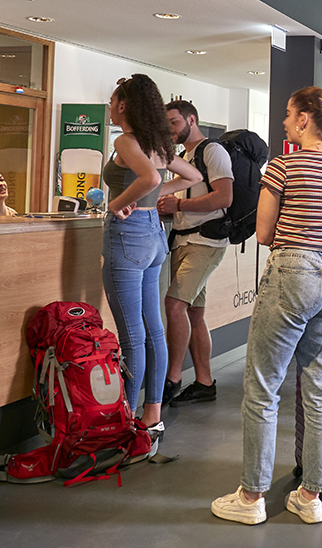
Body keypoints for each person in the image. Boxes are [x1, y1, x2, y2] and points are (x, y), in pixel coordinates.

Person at [212, 87, 322, 526]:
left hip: (293, 272)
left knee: (262, 387)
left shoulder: (283, 166)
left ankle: (251, 497)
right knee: (320, 388)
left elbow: (262, 233)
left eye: (287, 114)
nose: (283, 122)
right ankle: (311, 496)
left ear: (304, 120)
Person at [101, 75, 202, 436]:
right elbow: (189, 174)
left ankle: (125, 419)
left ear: (124, 106)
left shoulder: (126, 141)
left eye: (113, 102)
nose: (110, 108)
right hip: (154, 235)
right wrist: (151, 196)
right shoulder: (156, 143)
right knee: (152, 330)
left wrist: (116, 204)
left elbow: (147, 178)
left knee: (131, 336)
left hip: (128, 236)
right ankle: (152, 412)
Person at [155, 100, 233, 408]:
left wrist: (179, 205)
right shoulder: (186, 156)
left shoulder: (212, 151)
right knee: (193, 313)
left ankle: (172, 379)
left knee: (174, 305)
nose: (171, 129)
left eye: (174, 123)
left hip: (205, 242)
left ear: (191, 119)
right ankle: (204, 382)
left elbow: (224, 196)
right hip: (185, 241)